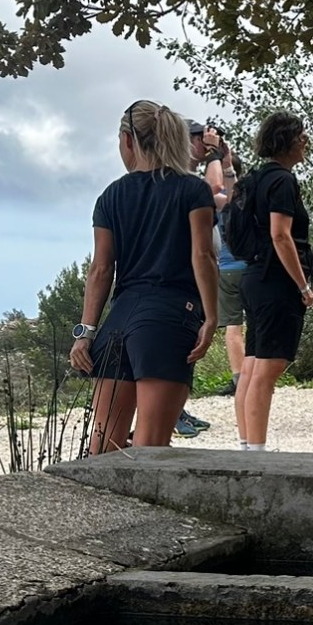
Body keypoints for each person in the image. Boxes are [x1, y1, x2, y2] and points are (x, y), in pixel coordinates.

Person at [72, 101, 218, 452]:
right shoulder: (192, 190)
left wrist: (85, 333)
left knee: (102, 450)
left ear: (127, 140)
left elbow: (101, 269)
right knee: (151, 451)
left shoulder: (111, 196)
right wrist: (212, 317)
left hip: (117, 322)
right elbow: (203, 255)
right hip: (166, 320)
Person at [236, 112, 313, 449]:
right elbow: (281, 235)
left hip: (253, 276)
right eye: (301, 136)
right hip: (275, 280)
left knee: (253, 364)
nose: (306, 142)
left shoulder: (254, 180)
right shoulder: (283, 181)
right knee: (269, 368)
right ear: (287, 140)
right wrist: (303, 285)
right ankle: (257, 452)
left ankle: (246, 445)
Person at [193, 120, 241, 425]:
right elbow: (222, 192)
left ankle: (241, 378)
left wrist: (217, 159)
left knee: (233, 326)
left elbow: (220, 192)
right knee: (241, 326)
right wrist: (222, 159)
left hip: (226, 265)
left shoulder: (205, 191)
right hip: (239, 264)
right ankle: (245, 377)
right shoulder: (229, 193)